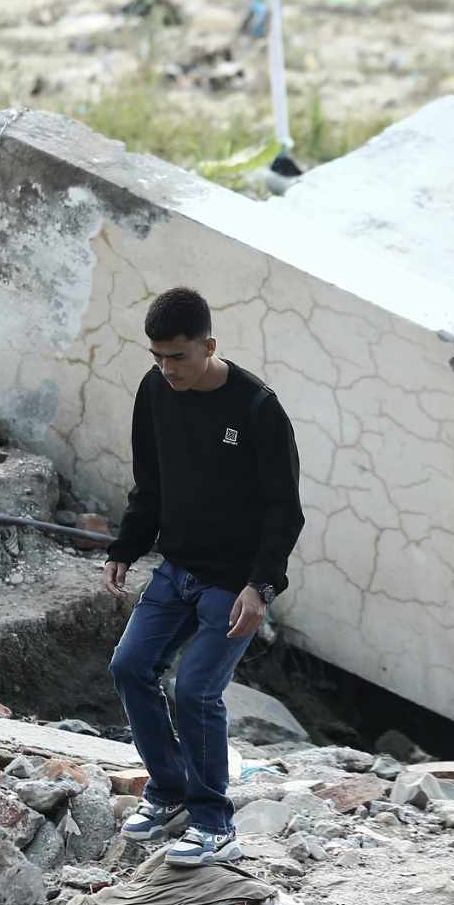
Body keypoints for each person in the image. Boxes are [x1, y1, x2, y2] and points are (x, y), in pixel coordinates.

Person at [104, 287, 304, 868]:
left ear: (209, 346)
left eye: (179, 358)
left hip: (234, 584)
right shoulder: (154, 391)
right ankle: (168, 793)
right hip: (178, 569)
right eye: (157, 358)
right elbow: (151, 483)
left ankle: (215, 823)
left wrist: (261, 586)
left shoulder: (258, 409)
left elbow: (284, 511)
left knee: (195, 689)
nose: (167, 370)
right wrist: (126, 546)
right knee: (131, 666)